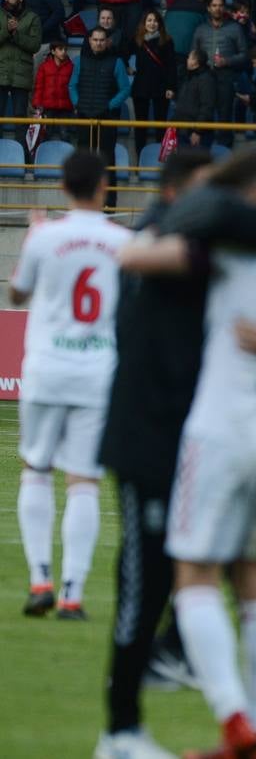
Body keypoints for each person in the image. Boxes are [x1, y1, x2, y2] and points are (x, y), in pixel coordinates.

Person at [96, 150, 256, 759]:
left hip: (216, 435)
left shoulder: (227, 248)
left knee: (231, 582)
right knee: (180, 586)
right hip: (164, 434)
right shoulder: (224, 235)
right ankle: (130, 729)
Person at [11, 150, 131, 621]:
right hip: (97, 371)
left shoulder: (45, 237)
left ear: (62, 187)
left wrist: (32, 240)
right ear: (104, 187)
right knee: (84, 481)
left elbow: (16, 294)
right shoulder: (124, 241)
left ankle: (40, 578)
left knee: (36, 469)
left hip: (47, 368)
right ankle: (71, 594)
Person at [69, 27, 131, 207]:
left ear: (107, 42)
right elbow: (72, 86)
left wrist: (109, 106)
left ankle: (109, 205)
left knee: (107, 161)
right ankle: (81, 202)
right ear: (89, 41)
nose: (98, 43)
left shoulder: (117, 62)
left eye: (102, 40)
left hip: (107, 118)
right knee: (83, 161)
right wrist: (78, 103)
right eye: (95, 40)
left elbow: (125, 89)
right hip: (84, 116)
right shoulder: (79, 61)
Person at [191, 0, 249, 147]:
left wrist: (227, 61)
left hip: (226, 78)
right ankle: (204, 155)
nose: (217, 8)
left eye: (220, 5)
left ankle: (225, 154)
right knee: (204, 117)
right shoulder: (200, 30)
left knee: (224, 118)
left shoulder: (235, 28)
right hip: (204, 79)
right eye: (214, 5)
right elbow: (193, 53)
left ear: (224, 8)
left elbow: (245, 55)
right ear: (208, 8)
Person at [129, 10, 177, 154]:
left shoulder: (167, 41)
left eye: (155, 21)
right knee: (140, 125)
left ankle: (160, 158)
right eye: (149, 20)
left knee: (160, 125)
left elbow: (171, 65)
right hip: (141, 87)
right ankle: (140, 158)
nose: (152, 23)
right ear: (144, 23)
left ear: (160, 24)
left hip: (161, 87)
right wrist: (127, 67)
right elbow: (123, 53)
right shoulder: (136, 39)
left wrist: (171, 87)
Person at [0, 0, 42, 122]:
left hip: (21, 75)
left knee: (21, 119)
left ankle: (21, 138)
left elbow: (35, 45)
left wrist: (16, 35)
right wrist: (7, 31)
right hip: (1, 73)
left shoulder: (33, 17)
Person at [172, 49, 216, 149]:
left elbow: (207, 107)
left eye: (189, 58)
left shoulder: (206, 79)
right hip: (183, 130)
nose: (187, 59)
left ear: (195, 62)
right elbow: (184, 102)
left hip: (197, 134)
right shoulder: (188, 77)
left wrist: (197, 131)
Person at [32, 40, 73, 123]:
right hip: (48, 107)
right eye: (60, 49)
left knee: (64, 130)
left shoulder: (71, 67)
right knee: (48, 130)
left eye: (65, 49)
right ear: (53, 51)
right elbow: (39, 87)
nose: (63, 52)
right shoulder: (44, 67)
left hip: (65, 107)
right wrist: (37, 104)